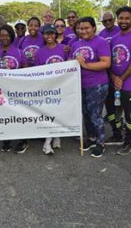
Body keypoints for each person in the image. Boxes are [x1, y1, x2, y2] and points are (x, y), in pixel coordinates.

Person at [104, 7, 131, 155]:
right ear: (117, 19)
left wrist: (122, 78)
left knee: (129, 114)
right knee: (111, 110)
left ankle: (129, 142)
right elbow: (109, 61)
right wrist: (114, 77)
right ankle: (117, 135)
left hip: (129, 83)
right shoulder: (114, 39)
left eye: (127, 18)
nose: (124, 21)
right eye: (121, 18)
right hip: (114, 82)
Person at [69, 17, 111, 158]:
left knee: (95, 115)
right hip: (80, 85)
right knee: (85, 113)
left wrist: (85, 65)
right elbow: (71, 62)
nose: (83, 31)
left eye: (87, 28)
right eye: (81, 28)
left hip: (97, 85)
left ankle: (100, 142)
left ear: (93, 28)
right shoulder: (76, 44)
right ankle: (91, 138)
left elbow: (106, 63)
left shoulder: (101, 42)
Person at [0, 24, 24, 152]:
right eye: (2, 35)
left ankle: (21, 140)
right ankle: (6, 140)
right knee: (4, 116)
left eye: (8, 35)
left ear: (12, 37)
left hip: (16, 91)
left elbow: (25, 71)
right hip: (1, 92)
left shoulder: (19, 52)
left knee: (18, 116)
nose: (5, 38)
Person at [35, 24, 67, 155]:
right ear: (43, 35)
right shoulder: (40, 51)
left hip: (62, 86)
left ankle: (57, 136)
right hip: (48, 88)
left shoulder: (64, 49)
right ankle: (47, 143)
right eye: (47, 33)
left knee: (59, 112)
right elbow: (37, 71)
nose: (50, 36)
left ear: (56, 34)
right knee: (49, 114)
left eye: (52, 33)